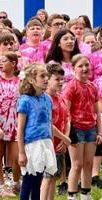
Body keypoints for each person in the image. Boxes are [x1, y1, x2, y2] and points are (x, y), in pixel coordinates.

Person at [17, 64, 70, 200]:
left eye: (47, 75)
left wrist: (51, 145)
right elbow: (20, 129)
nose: (46, 78)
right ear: (31, 80)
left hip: (45, 143)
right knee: (28, 181)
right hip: (31, 145)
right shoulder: (25, 100)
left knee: (38, 182)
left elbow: (49, 124)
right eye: (42, 76)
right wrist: (22, 152)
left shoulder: (47, 99)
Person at [64, 54, 102, 200]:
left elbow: (97, 111)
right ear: (73, 68)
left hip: (91, 129)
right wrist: (69, 132)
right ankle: (72, 194)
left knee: (89, 163)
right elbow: (66, 112)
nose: (85, 68)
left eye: (86, 65)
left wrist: (100, 131)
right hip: (76, 129)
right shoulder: (71, 86)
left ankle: (86, 193)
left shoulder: (93, 87)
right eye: (80, 66)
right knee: (77, 164)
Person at [0, 51, 21, 197]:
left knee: (16, 155)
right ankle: (0, 184)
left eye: (4, 61)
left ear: (13, 63)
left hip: (15, 121)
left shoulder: (19, 81)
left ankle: (16, 183)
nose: (0, 64)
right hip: (0, 120)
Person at [41, 63, 70, 199]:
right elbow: (48, 123)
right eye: (57, 79)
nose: (60, 82)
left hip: (60, 144)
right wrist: (64, 138)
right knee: (47, 178)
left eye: (62, 79)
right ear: (47, 79)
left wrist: (65, 139)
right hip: (48, 144)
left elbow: (67, 120)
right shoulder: (45, 99)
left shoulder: (61, 97)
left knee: (54, 178)